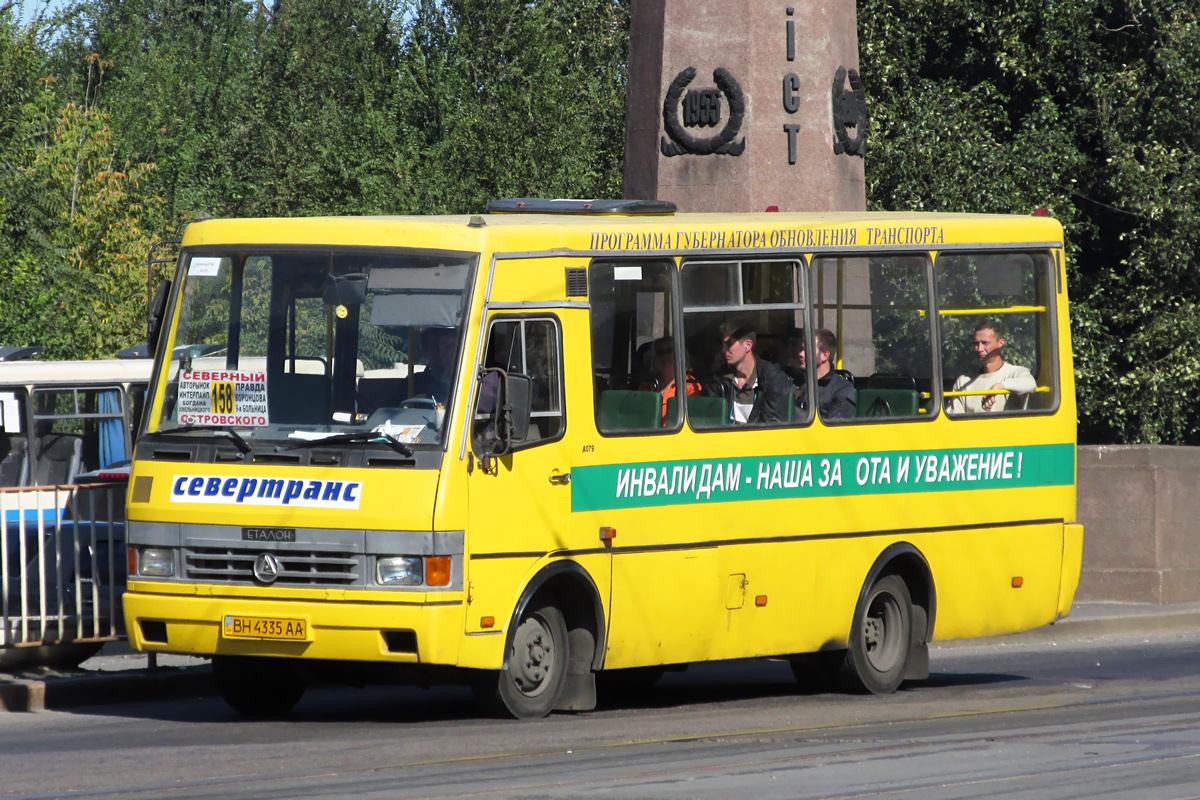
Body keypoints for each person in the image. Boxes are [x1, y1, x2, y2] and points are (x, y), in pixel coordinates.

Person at [706, 320, 794, 424]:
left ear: (748, 345)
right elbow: (712, 421)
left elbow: (771, 427)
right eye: (723, 344)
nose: (723, 350)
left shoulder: (773, 380)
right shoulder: (720, 380)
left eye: (729, 344)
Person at [948, 318, 1037, 413]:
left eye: (985, 343)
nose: (979, 349)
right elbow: (954, 420)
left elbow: (1031, 384)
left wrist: (999, 387)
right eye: (976, 344)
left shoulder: (1014, 373)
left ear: (1001, 343)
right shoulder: (964, 382)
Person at [791, 327, 856, 419]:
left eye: (807, 350)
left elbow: (835, 427)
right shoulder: (796, 382)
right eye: (801, 349)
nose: (801, 354)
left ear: (825, 356)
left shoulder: (842, 389)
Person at [638, 336, 702, 424]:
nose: (664, 356)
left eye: (669, 351)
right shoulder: (647, 384)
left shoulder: (691, 386)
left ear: (680, 356)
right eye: (659, 352)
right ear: (654, 359)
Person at [411, 327, 458, 404]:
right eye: (436, 347)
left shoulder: (470, 381)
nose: (442, 352)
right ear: (424, 351)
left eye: (449, 346)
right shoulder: (412, 384)